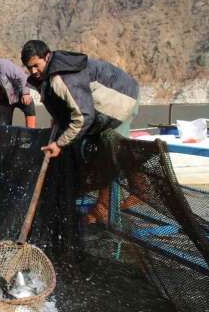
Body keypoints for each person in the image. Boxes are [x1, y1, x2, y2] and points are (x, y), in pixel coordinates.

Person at [20, 40, 140, 223]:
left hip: (121, 99)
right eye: (30, 68)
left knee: (109, 149)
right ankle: (113, 197)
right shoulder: (47, 75)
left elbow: (83, 116)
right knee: (92, 148)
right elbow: (66, 105)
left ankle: (116, 201)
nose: (34, 72)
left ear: (47, 56)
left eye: (36, 66)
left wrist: (60, 143)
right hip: (97, 106)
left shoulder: (62, 77)